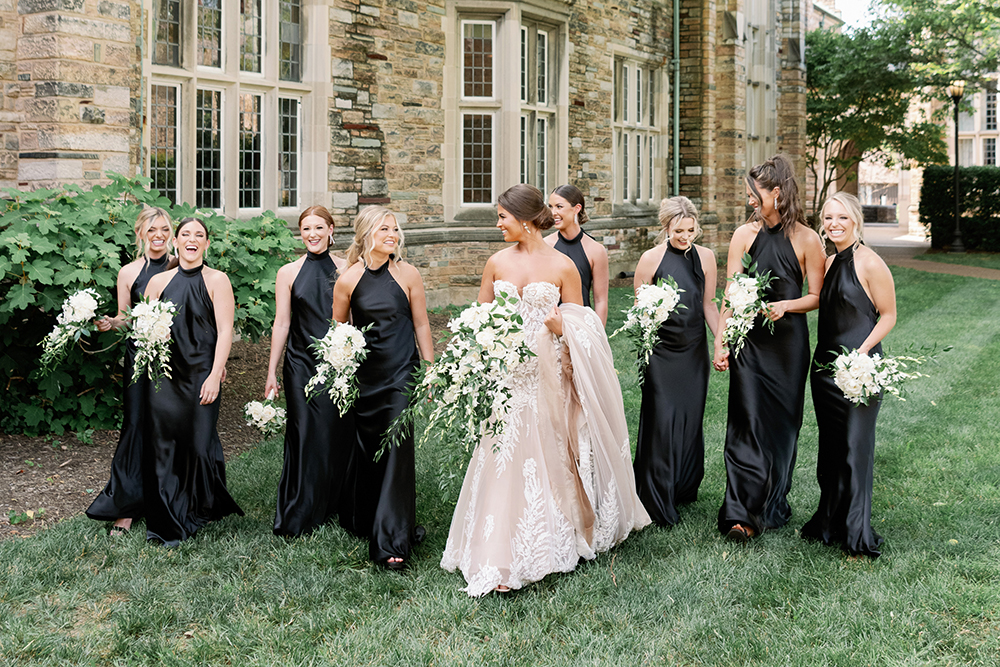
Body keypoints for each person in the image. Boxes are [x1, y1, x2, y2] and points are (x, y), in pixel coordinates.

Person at [442, 184, 650, 596]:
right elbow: (478, 317)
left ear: (524, 219)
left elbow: (585, 326)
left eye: (502, 217)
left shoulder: (562, 267)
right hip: (507, 379)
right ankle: (496, 549)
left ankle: (554, 539)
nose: (497, 224)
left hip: (547, 377)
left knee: (549, 451)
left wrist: (562, 328)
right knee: (502, 454)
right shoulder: (496, 262)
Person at [713, 154, 826, 542]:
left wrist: (786, 305)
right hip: (750, 343)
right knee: (745, 422)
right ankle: (739, 513)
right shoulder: (744, 236)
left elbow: (816, 296)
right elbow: (730, 292)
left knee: (781, 427)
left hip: (788, 348)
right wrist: (721, 341)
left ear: (776, 193)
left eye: (753, 195)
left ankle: (772, 503)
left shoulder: (808, 240)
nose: (749, 202)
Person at [332, 206, 433, 568]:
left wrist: (429, 369)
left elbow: (421, 325)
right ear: (365, 234)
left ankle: (391, 541)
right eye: (384, 229)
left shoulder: (408, 274)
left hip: (401, 375)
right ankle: (366, 517)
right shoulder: (348, 279)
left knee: (396, 453)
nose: (392, 234)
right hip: (366, 378)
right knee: (369, 449)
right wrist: (342, 371)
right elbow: (339, 332)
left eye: (394, 229)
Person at [801, 192, 896, 558]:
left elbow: (887, 315)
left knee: (856, 447)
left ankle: (857, 532)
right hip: (825, 369)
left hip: (861, 369)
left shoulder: (871, 263)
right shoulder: (826, 262)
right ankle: (830, 520)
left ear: (856, 220)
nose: (834, 224)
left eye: (841, 218)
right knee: (831, 450)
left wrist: (862, 352)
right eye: (827, 218)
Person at [142, 217, 244, 545]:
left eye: (199, 235)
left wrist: (216, 373)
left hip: (202, 372)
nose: (192, 239)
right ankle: (167, 519)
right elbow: (145, 329)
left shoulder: (218, 280)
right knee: (165, 446)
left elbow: (226, 330)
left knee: (199, 444)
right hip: (166, 376)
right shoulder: (158, 283)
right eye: (186, 234)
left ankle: (203, 503)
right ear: (176, 241)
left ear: (206, 243)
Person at [86, 207, 177, 536]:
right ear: (140, 233)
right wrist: (111, 322)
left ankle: (170, 500)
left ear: (172, 233)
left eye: (165, 229)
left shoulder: (182, 266)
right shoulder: (128, 272)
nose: (158, 235)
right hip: (139, 358)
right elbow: (126, 317)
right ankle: (126, 508)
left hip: (175, 358)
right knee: (137, 426)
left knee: (169, 427)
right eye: (152, 230)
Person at [264, 206, 353, 537]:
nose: (312, 234)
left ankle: (335, 502)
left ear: (331, 229)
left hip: (339, 361)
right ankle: (301, 507)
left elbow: (354, 317)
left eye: (318, 227)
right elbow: (282, 322)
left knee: (336, 432)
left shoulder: (348, 268)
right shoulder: (288, 272)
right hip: (300, 363)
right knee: (303, 434)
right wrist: (272, 370)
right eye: (306, 229)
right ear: (300, 233)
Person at [631, 196, 720, 526]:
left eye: (690, 230)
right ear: (665, 228)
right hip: (661, 353)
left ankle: (682, 486)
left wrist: (720, 342)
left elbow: (709, 304)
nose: (685, 237)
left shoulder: (707, 258)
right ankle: (655, 497)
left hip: (694, 350)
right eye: (678, 231)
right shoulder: (650, 259)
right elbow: (640, 312)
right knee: (663, 421)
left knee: (689, 418)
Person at [546, 184, 610, 325]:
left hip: (582, 326)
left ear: (577, 208)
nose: (553, 212)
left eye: (559, 206)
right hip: (549, 324)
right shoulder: (545, 246)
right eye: (550, 207)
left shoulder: (596, 250)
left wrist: (598, 335)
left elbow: (600, 300)